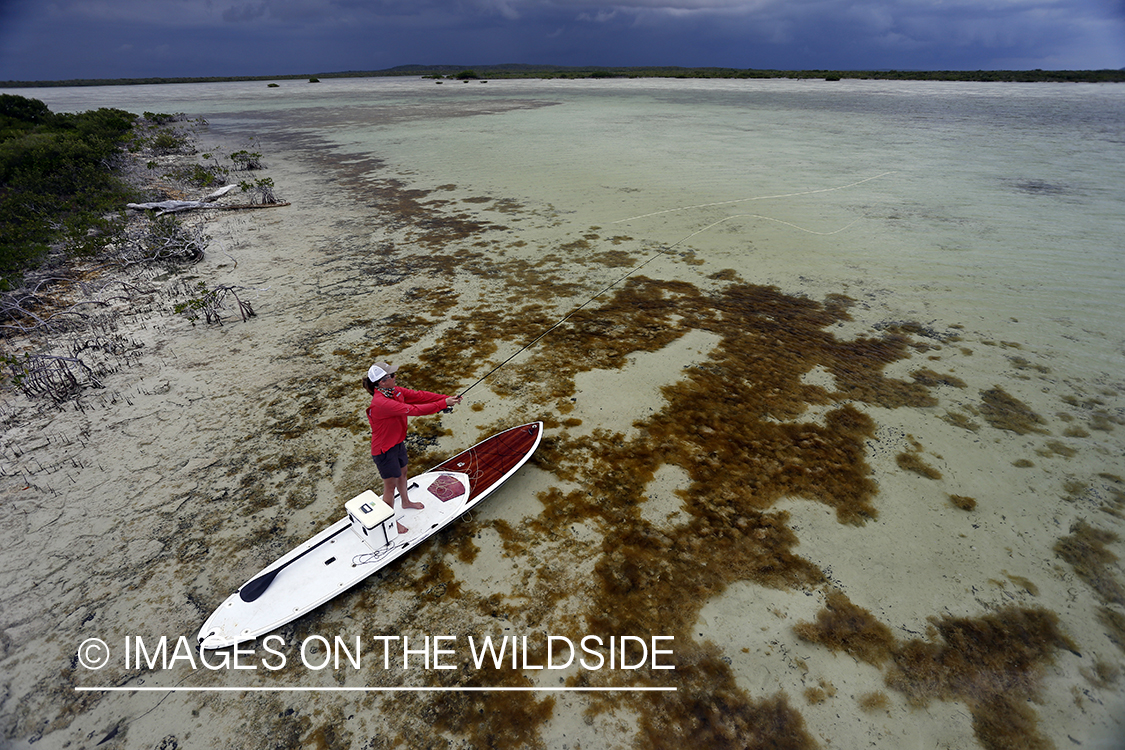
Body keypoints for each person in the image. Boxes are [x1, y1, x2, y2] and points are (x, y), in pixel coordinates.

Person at [364, 361, 461, 532]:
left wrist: (444, 398)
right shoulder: (381, 403)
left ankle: (406, 501)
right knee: (389, 487)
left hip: (397, 443)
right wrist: (444, 404)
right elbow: (414, 410)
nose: (395, 377)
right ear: (382, 382)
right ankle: (390, 523)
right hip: (384, 450)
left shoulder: (394, 391)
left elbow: (420, 396)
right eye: (392, 376)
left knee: (403, 473)